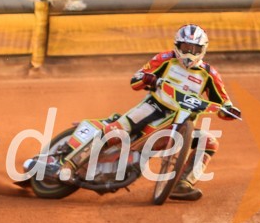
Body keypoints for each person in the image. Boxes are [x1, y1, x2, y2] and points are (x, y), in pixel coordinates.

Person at [103, 24, 241, 201]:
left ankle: (182, 184)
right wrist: (146, 78)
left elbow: (223, 102)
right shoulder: (165, 58)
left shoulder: (210, 74)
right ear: (177, 45)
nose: (190, 53)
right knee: (115, 133)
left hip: (182, 123)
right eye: (186, 48)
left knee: (209, 142)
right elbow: (135, 80)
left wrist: (229, 111)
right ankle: (80, 157)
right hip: (154, 107)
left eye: (195, 49)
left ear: (203, 49)